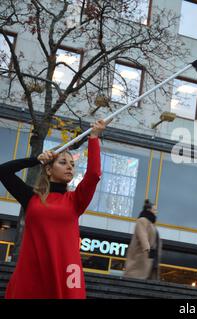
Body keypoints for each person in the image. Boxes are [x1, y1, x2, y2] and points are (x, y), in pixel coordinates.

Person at [2, 120, 107, 299]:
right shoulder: (31, 198)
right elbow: (3, 171)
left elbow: (94, 174)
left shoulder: (75, 201)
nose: (69, 167)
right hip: (32, 274)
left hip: (65, 274)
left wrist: (94, 138)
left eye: (72, 165)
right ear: (49, 169)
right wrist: (35, 159)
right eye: (63, 162)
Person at [124, 200, 162, 280]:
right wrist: (147, 248)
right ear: (149, 210)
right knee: (136, 280)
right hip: (140, 260)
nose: (156, 212)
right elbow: (142, 235)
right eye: (154, 209)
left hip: (150, 261)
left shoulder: (151, 224)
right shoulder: (142, 221)